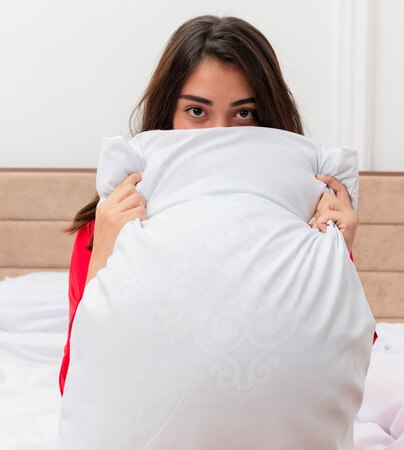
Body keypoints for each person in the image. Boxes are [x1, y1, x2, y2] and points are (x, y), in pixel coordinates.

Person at [59, 15, 375, 396]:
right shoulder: (108, 224)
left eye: (244, 113)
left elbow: (343, 365)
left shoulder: (308, 219)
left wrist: (336, 255)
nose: (221, 135)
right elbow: (75, 384)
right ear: (167, 118)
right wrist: (103, 260)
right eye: (197, 112)